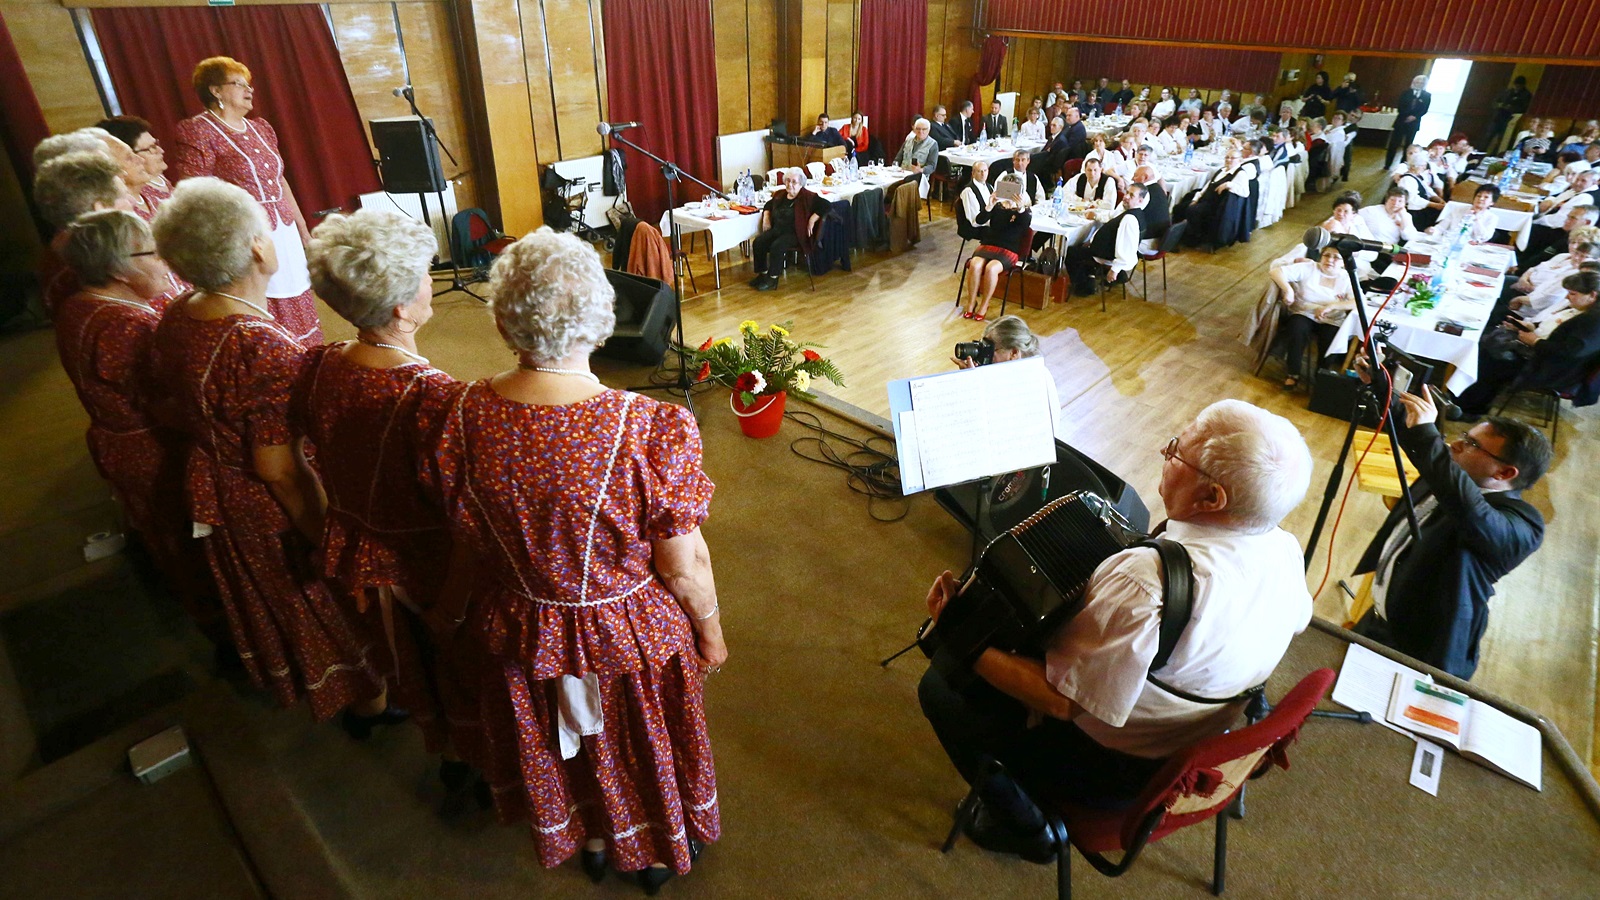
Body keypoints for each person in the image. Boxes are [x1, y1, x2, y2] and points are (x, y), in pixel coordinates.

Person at [420, 230, 723, 888]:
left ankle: (590, 836)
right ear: (605, 317)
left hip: (522, 625)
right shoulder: (651, 427)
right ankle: (649, 845)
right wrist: (712, 628)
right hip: (624, 631)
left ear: (502, 319)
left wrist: (452, 607)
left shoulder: (457, 412)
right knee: (638, 738)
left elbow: (469, 538)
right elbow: (681, 567)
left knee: (564, 743)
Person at [918, 399, 1313, 858]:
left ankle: (1027, 829)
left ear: (1211, 499)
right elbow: (1298, 619)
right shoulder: (1283, 547)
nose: (1163, 456)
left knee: (940, 689)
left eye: (1174, 453)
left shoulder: (1147, 581)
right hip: (1198, 734)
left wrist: (958, 634)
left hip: (1114, 769)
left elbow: (1062, 704)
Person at [151, 177, 388, 722]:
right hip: (262, 502)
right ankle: (367, 704)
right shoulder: (260, 346)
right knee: (315, 599)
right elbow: (279, 468)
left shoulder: (183, 310)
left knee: (271, 598)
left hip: (213, 482)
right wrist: (327, 537)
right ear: (259, 247)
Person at [297, 209, 471, 761]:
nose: (431, 279)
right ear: (401, 308)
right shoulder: (432, 396)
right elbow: (465, 513)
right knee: (456, 671)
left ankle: (436, 737)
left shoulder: (322, 361)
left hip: (352, 550)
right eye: (424, 271)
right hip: (423, 565)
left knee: (407, 663)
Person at [52, 210, 222, 650]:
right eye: (151, 252)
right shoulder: (126, 324)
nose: (165, 259)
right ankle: (225, 640)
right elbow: (169, 406)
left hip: (122, 443)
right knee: (191, 550)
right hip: (152, 453)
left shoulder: (79, 302)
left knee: (169, 542)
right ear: (116, 269)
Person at [1351, 373, 1551, 681]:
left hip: (1425, 654)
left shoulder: (1523, 525)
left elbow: (1470, 511)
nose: (1455, 444)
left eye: (1471, 444)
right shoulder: (1453, 475)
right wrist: (1381, 382)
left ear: (1505, 472)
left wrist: (1427, 434)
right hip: (1379, 619)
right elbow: (1414, 437)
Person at [173, 56, 321, 346]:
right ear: (215, 90)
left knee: (297, 292)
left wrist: (302, 228)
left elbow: (280, 178)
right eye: (238, 83)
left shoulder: (261, 127)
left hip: (284, 230)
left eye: (248, 84)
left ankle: (306, 353)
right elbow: (194, 191)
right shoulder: (198, 130)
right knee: (263, 297)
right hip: (245, 233)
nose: (248, 89)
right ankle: (278, 354)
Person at [1455, 270, 1600, 417]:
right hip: (1546, 357)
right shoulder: (1588, 310)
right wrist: (1531, 327)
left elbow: (1570, 351)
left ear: (1593, 295)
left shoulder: (1595, 320)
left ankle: (1469, 410)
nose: (1568, 297)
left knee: (1491, 359)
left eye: (1573, 294)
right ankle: (1460, 396)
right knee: (1487, 344)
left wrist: (1536, 342)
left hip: (1553, 371)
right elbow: (1559, 330)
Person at [1271, 245, 1356, 389]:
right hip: (1305, 312)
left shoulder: (1347, 277)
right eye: (1327, 255)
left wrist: (1331, 306)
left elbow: (1356, 301)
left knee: (1331, 338)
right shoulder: (1309, 267)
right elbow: (1276, 271)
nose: (1330, 260)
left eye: (1336, 257)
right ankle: (1293, 373)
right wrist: (1288, 290)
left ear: (1343, 262)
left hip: (1332, 318)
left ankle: (1321, 374)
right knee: (1297, 329)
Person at [960, 167, 1031, 322]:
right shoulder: (997, 206)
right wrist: (989, 206)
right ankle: (971, 302)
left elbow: (1025, 225)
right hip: (989, 244)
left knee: (992, 269)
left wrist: (1019, 209)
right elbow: (978, 221)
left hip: (1009, 249)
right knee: (975, 264)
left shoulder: (1023, 211)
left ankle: (984, 305)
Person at [749, 168, 831, 291]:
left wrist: (812, 219)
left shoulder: (807, 196)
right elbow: (768, 205)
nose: (790, 184)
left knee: (777, 246)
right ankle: (763, 274)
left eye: (794, 182)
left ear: (801, 183)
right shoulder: (780, 195)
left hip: (796, 233)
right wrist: (766, 217)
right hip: (778, 230)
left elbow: (826, 205)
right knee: (758, 242)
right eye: (787, 181)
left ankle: (773, 278)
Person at [1066, 182, 1147, 296]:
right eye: (1127, 192)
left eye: (1131, 195)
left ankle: (1083, 287)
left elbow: (1125, 247)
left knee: (1071, 253)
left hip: (1105, 255)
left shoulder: (1129, 219)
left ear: (1140, 200)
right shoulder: (1134, 213)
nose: (1126, 196)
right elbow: (1113, 216)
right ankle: (1091, 275)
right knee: (1081, 245)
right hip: (1104, 250)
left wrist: (1115, 270)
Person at [97, 116, 172, 210]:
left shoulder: (154, 184)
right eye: (151, 148)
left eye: (156, 144)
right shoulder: (119, 207)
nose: (161, 151)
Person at [1385, 75, 1431, 168]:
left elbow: (1425, 109)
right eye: (1417, 82)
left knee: (1408, 145)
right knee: (1394, 144)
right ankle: (1387, 164)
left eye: (1421, 83)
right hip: (1401, 121)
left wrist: (1415, 116)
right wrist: (1407, 116)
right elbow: (1400, 106)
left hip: (1414, 123)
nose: (1419, 84)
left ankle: (1403, 164)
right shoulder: (1405, 93)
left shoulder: (1427, 95)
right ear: (1413, 82)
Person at [1431, 183, 1502, 243]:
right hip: (1448, 241)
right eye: (1478, 196)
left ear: (1492, 202)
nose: (1481, 199)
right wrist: (1433, 231)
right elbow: (1440, 228)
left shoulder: (1492, 218)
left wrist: (1477, 220)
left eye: (1486, 197)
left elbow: (1484, 237)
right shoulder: (1459, 209)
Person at [1396, 148, 1446, 230]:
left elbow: (1427, 189)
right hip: (1414, 213)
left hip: (1422, 209)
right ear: (1413, 167)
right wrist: (1434, 205)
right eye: (1422, 166)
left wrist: (1438, 199)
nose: (1424, 168)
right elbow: (1412, 199)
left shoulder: (1418, 176)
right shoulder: (1407, 180)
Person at [1131, 165, 1170, 245]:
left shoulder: (1144, 193)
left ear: (1145, 177)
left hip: (1147, 241)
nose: (1132, 178)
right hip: (1160, 237)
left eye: (1135, 175)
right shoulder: (1158, 188)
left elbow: (1130, 213)